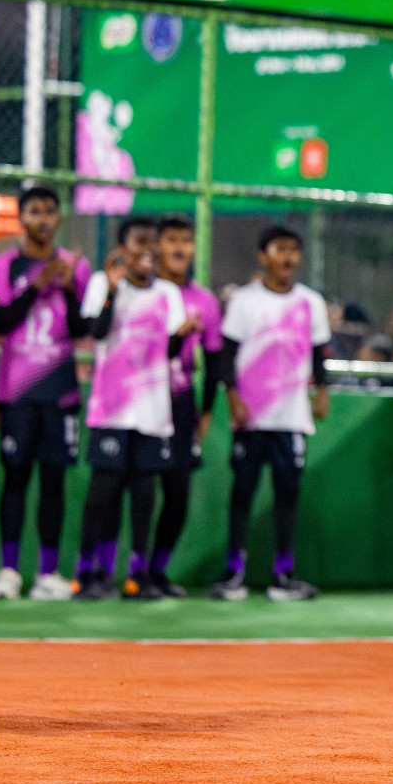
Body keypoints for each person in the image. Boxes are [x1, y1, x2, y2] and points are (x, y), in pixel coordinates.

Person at [209, 226, 331, 602]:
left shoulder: (311, 302)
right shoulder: (245, 301)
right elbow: (226, 354)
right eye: (281, 249)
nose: (288, 257)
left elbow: (318, 353)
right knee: (242, 494)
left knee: (287, 497)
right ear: (264, 255)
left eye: (295, 250)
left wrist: (322, 391)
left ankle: (283, 576)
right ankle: (234, 574)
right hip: (252, 417)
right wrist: (232, 396)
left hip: (291, 419)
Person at [73, 217, 192, 600]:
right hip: (112, 408)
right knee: (101, 492)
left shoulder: (168, 294)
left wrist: (182, 335)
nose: (145, 250)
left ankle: (135, 576)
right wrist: (110, 291)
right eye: (137, 243)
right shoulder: (101, 283)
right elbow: (97, 332)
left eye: (150, 243)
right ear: (122, 250)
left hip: (153, 412)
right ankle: (88, 573)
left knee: (144, 494)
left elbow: (169, 350)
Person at [0, 187, 92, 601]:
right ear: (22, 219)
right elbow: (0, 321)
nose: (44, 219)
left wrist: (64, 288)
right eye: (35, 211)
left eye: (50, 211)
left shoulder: (74, 268)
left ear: (60, 219)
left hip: (61, 393)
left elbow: (82, 329)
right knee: (16, 479)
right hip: (18, 392)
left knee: (54, 483)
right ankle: (9, 571)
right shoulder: (5, 264)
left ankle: (48, 573)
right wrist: (36, 286)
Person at [150, 215, 224, 597]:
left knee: (178, 494)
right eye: (171, 239)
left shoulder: (205, 301)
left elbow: (214, 362)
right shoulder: (146, 291)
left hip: (181, 405)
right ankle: (131, 573)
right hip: (141, 402)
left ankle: (158, 571)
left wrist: (207, 411)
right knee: (137, 491)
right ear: (157, 246)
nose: (179, 247)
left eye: (186, 240)